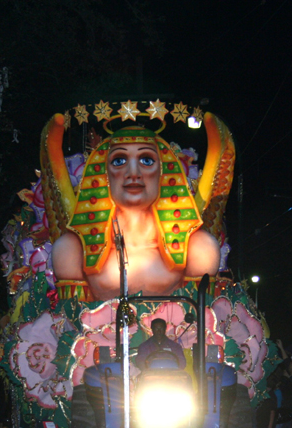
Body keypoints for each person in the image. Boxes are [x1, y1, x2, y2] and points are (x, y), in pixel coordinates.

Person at [52, 125, 221, 300]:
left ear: (163, 173)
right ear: (104, 175)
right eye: (119, 161)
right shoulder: (72, 250)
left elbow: (200, 320)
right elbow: (72, 320)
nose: (133, 173)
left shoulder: (198, 249)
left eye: (146, 160)